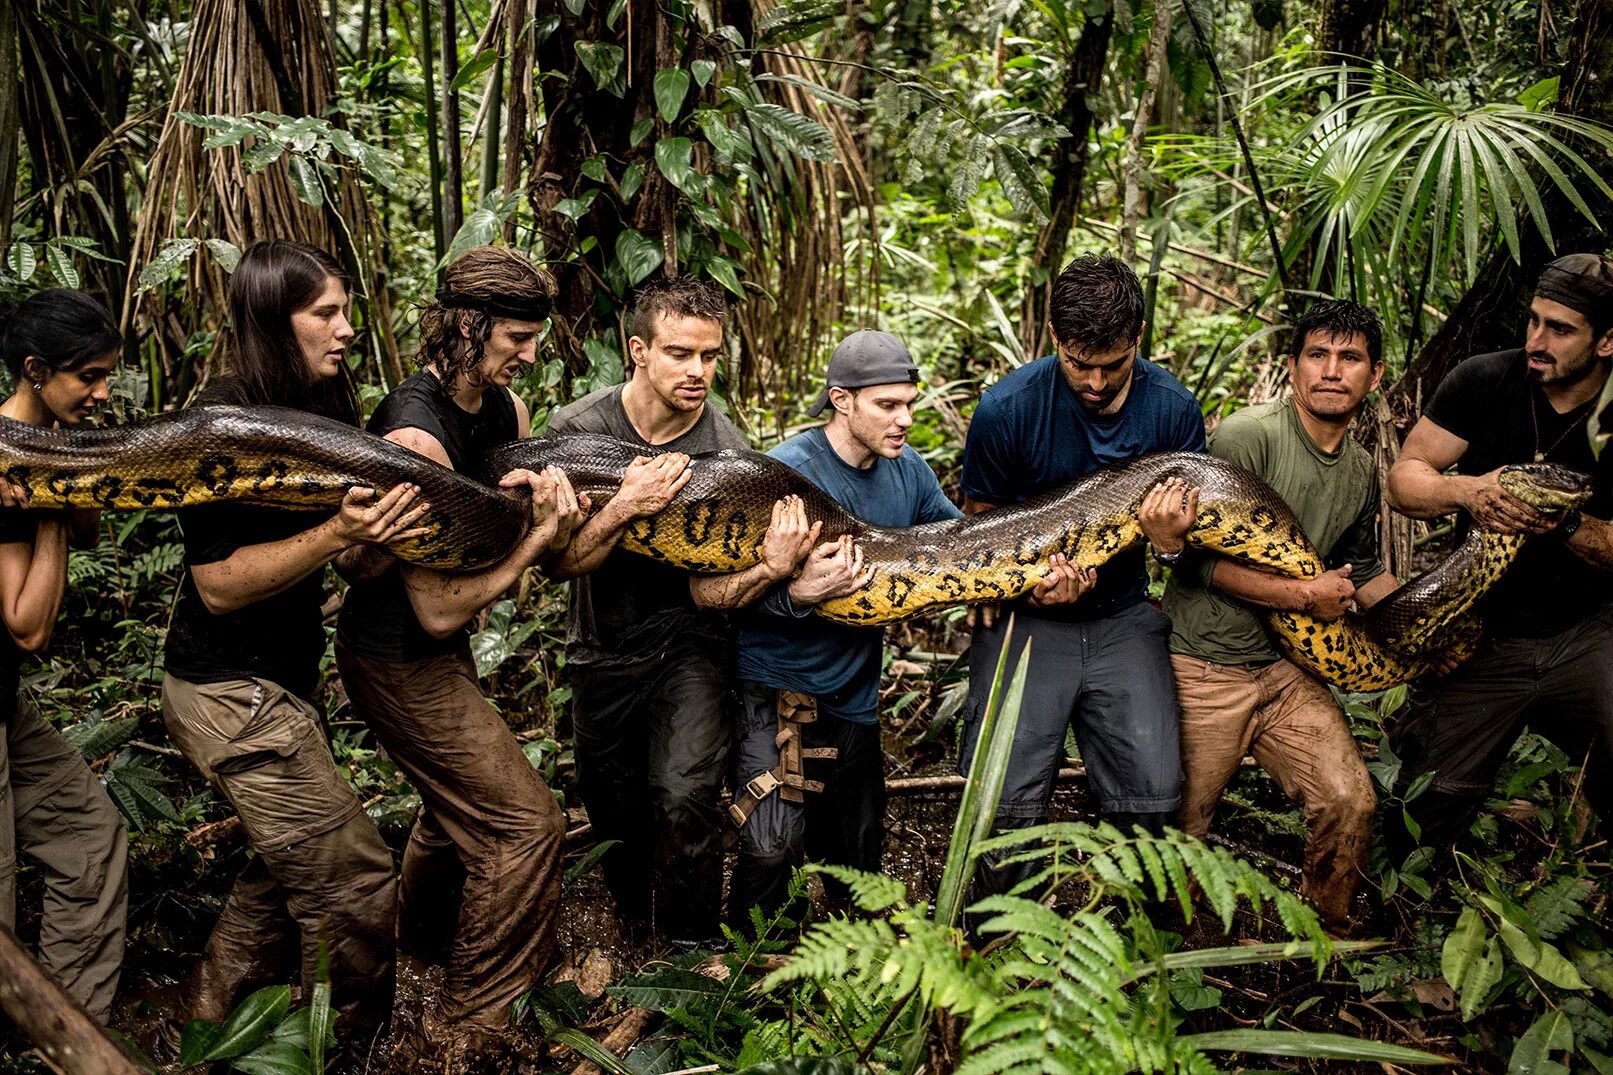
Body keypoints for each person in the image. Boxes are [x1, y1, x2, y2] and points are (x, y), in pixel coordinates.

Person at [160, 242, 424, 1036]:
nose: (346, 329)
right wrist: (336, 531)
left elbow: (344, 552)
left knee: (281, 874)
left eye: (346, 310)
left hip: (279, 682)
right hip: (224, 688)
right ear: (276, 322)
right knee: (354, 878)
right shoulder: (220, 424)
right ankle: (337, 1043)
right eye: (325, 314)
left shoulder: (322, 403)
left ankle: (205, 1025)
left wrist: (376, 535)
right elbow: (218, 582)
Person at [335, 245, 584, 1045]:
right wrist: (535, 538)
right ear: (469, 326)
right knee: (525, 822)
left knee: (453, 812)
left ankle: (424, 947)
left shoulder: (502, 411)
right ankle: (476, 1020)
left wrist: (559, 518)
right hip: (395, 653)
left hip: (440, 650)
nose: (530, 352)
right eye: (516, 335)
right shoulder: (415, 430)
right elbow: (437, 606)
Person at [957, 254, 1205, 899]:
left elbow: (1188, 546)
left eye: (1112, 366)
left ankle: (1134, 947)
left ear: (1139, 339)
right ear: (1053, 337)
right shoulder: (1006, 409)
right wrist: (1018, 585)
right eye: (1078, 364)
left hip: (1123, 614)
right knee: (1003, 795)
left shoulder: (1174, 411)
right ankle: (993, 944)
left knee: (1151, 788)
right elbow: (980, 524)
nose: (1094, 383)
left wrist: (1169, 546)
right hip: (1027, 618)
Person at [698, 331, 961, 920]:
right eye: (888, 406)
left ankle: (852, 982)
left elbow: (955, 545)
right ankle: (753, 980)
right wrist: (799, 593)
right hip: (776, 687)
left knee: (860, 855)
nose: (905, 420)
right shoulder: (785, 474)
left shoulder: (908, 470)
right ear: (842, 401)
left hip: (854, 695)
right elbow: (725, 593)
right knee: (770, 849)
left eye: (910, 404)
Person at [1154, 299, 1397, 931]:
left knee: (1349, 799)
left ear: (1373, 376)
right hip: (1205, 667)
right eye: (1317, 355)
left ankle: (1327, 941)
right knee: (1182, 831)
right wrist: (1299, 598)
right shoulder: (1248, 437)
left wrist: (1423, 624)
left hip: (1287, 672)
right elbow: (1192, 562)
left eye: (1350, 359)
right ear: (1293, 368)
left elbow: (1360, 568)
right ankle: (1173, 966)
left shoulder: (1364, 467)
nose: (1332, 371)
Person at [547, 276, 748, 948]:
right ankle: (639, 923)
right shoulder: (577, 431)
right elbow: (560, 559)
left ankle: (692, 946)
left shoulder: (727, 451)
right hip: (600, 640)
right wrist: (627, 504)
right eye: (680, 353)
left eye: (710, 356)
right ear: (637, 349)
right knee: (613, 804)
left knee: (685, 792)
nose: (699, 371)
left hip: (691, 639)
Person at [1387, 253, 1613, 847]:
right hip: (1483, 634)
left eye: (1560, 329)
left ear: (1608, 341)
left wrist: (1556, 522)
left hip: (1587, 631)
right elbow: (1406, 477)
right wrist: (1465, 490)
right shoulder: (1483, 378)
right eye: (1534, 321)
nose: (1537, 340)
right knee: (1423, 805)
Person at [0, 289, 128, 1022]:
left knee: (90, 837)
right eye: (88, 376)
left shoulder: (43, 441)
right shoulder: (7, 457)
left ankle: (66, 1035)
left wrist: (67, 471)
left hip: (5, 704)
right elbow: (26, 625)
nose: (103, 392)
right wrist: (49, 498)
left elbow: (83, 531)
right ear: (34, 368)